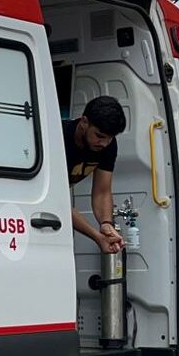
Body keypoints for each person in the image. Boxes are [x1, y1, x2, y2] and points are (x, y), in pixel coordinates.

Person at [64, 96, 129, 255]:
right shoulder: (59, 137)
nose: (105, 144)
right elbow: (58, 201)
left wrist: (106, 224)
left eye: (110, 138)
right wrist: (97, 237)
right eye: (99, 136)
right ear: (84, 122)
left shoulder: (107, 145)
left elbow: (102, 192)